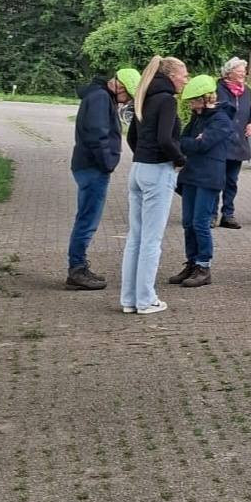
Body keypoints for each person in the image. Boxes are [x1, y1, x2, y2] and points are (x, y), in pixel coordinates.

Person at [120, 55, 189, 316]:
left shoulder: (144, 96)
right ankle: (146, 299)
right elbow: (165, 139)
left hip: (139, 168)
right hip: (158, 171)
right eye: (184, 75)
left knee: (135, 238)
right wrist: (180, 160)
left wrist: (143, 155)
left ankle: (129, 298)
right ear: (172, 75)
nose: (186, 80)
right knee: (151, 240)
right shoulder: (167, 100)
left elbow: (132, 137)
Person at [65, 67, 138, 290]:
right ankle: (77, 269)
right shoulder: (100, 98)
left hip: (88, 165)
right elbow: (98, 134)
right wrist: (108, 162)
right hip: (93, 167)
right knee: (87, 219)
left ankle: (79, 266)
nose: (127, 101)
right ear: (120, 87)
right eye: (128, 96)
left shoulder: (98, 95)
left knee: (87, 217)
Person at [169, 74, 236, 289]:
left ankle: (203, 266)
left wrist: (193, 143)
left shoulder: (221, 119)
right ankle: (192, 262)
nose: (191, 105)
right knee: (188, 222)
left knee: (200, 222)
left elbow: (203, 144)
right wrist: (192, 142)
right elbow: (182, 141)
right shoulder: (197, 118)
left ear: (205, 98)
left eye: (194, 101)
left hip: (208, 177)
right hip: (191, 175)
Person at [216, 57, 251, 230]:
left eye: (244, 71)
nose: (243, 74)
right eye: (239, 71)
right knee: (216, 180)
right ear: (229, 73)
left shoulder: (246, 91)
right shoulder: (218, 89)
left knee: (232, 181)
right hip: (220, 142)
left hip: (238, 143)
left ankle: (228, 214)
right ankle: (211, 214)